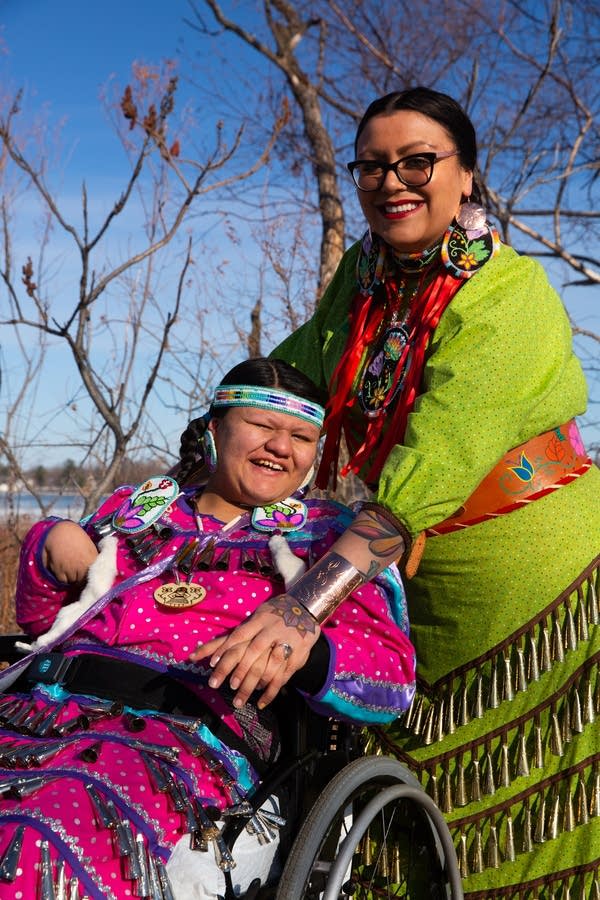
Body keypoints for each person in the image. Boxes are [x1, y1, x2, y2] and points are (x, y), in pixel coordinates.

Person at [258, 87, 598, 897]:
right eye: (372, 166)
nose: (392, 182)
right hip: (413, 588)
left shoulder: (508, 294)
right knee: (408, 812)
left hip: (532, 595)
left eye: (418, 162)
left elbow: (439, 455)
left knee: (530, 815)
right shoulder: (364, 285)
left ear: (466, 175)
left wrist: (303, 606)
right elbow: (286, 384)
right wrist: (185, 483)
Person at [0, 358, 416, 900]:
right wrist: (48, 546)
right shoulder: (139, 511)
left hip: (182, 745)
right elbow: (41, 622)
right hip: (40, 712)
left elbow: (390, 677)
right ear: (215, 428)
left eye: (301, 437)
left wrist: (305, 649)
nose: (280, 447)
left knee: (39, 831)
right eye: (262, 426)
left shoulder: (327, 540)